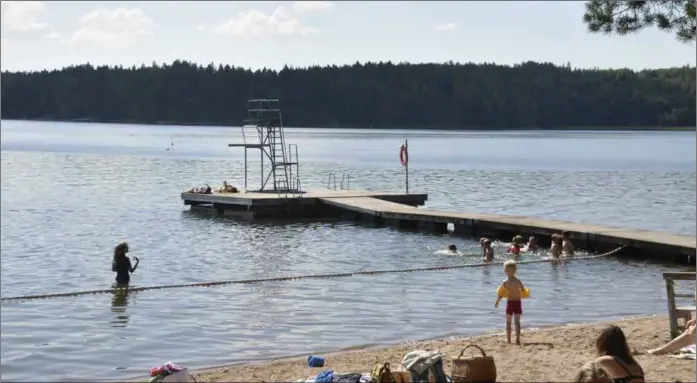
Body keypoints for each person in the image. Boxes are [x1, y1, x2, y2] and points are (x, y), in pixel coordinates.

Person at [495, 260, 526, 344]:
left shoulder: (505, 282)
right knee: (517, 322)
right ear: (515, 270)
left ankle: (509, 340)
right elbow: (524, 292)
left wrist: (497, 301)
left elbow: (501, 294)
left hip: (510, 303)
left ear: (505, 271)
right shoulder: (518, 281)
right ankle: (517, 338)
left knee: (508, 322)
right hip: (517, 303)